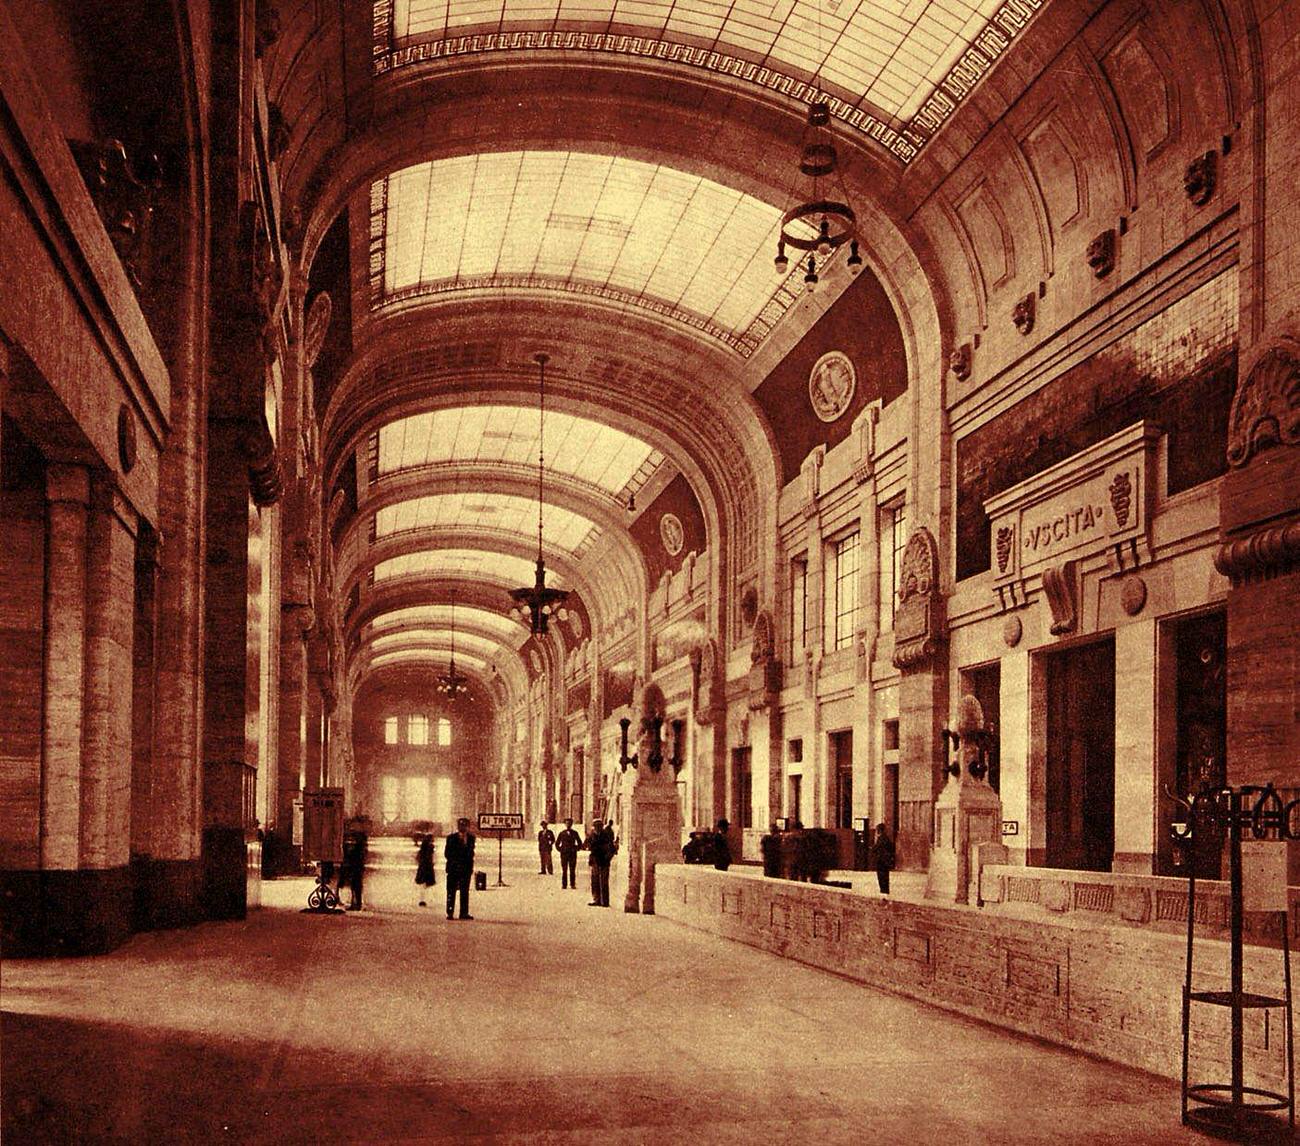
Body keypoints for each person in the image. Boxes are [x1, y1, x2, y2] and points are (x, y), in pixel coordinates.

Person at [444, 817, 476, 919]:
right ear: (458, 826)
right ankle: (450, 913)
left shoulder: (471, 838)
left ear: (468, 827)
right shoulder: (451, 838)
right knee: (451, 891)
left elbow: (471, 853)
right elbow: (447, 853)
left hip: (466, 869)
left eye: (464, 825)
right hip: (453, 868)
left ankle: (464, 913)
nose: (462, 827)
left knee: (464, 891)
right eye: (460, 825)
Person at [586, 818, 615, 907]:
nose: (597, 828)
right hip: (595, 861)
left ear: (602, 827)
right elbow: (587, 845)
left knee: (603, 882)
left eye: (599, 826)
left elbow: (612, 849)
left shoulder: (606, 836)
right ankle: (596, 899)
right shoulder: (592, 836)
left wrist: (607, 858)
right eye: (595, 826)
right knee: (594, 881)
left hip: (604, 861)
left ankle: (604, 901)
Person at [342, 829, 367, 910]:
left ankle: (356, 904)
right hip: (358, 868)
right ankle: (357, 903)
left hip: (355, 867)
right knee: (356, 886)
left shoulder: (357, 849)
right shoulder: (361, 848)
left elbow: (351, 857)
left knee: (355, 886)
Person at [555, 817, 582, 889]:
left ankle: (572, 884)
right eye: (567, 823)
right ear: (565, 824)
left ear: (572, 824)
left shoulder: (575, 833)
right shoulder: (562, 833)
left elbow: (580, 843)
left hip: (572, 854)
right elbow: (557, 843)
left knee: (572, 870)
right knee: (564, 870)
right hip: (564, 854)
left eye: (569, 823)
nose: (568, 825)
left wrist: (576, 848)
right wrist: (560, 849)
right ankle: (564, 884)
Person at [871, 822, 896, 895]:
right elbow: (891, 848)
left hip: (880, 861)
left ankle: (883, 890)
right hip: (886, 861)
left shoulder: (880, 838)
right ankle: (885, 890)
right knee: (885, 876)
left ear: (879, 830)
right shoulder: (886, 838)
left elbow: (875, 849)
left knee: (881, 877)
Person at [414, 832, 436, 907]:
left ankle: (422, 899)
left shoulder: (423, 847)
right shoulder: (431, 847)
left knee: (422, 883)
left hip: (422, 866)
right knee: (427, 883)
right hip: (428, 866)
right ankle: (424, 899)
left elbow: (417, 857)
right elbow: (432, 857)